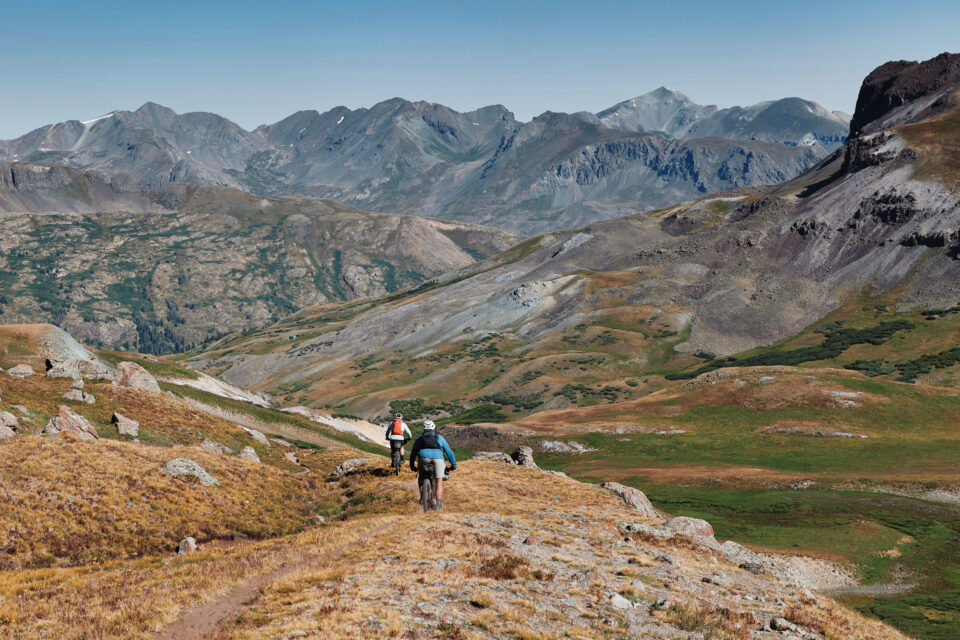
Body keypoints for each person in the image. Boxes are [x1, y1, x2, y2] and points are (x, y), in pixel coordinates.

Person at [409, 420, 456, 511]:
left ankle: (422, 498)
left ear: (424, 429)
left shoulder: (420, 438)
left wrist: (412, 465)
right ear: (434, 428)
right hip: (438, 459)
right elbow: (449, 452)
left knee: (421, 477)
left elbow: (413, 452)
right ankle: (438, 504)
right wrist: (453, 465)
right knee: (439, 481)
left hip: (423, 458)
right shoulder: (439, 438)